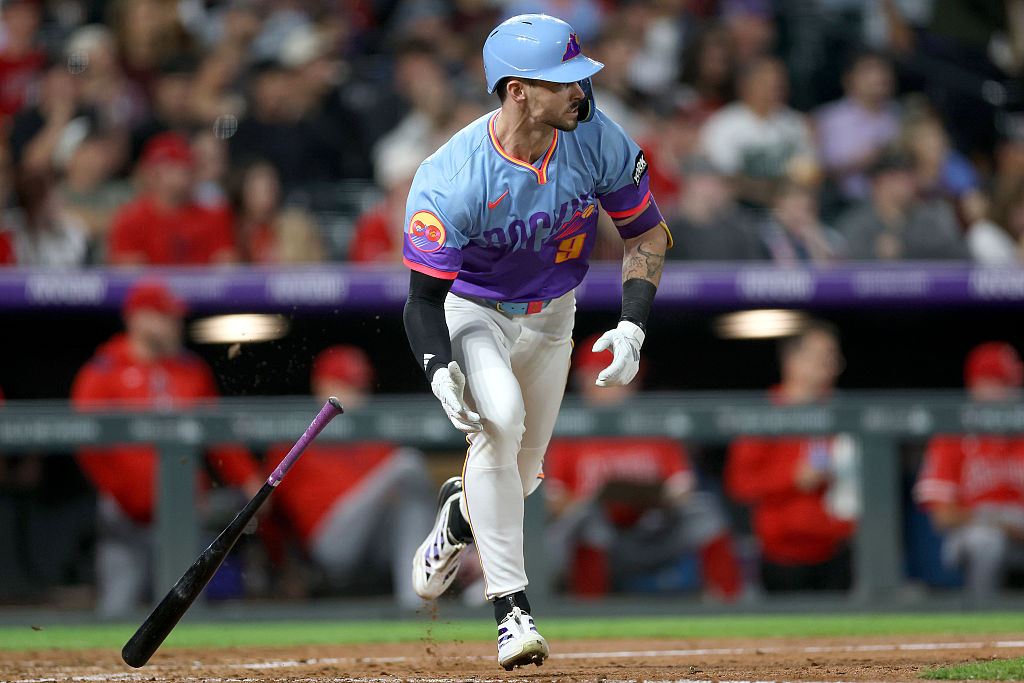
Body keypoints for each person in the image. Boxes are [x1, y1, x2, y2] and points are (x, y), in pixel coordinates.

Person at [401, 15, 670, 671]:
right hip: (477, 310)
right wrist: (438, 367)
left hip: (555, 313)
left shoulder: (594, 137)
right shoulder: (451, 174)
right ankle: (511, 612)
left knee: (517, 477)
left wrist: (633, 321)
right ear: (517, 90)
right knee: (500, 420)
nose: (581, 91)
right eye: (563, 82)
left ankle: (460, 516)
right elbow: (422, 300)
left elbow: (646, 234)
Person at [71, 281, 261, 616]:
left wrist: (248, 479)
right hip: (125, 516)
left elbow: (219, 436)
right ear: (138, 319)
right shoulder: (104, 371)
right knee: (117, 608)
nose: (176, 325)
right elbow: (89, 445)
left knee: (187, 611)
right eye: (165, 317)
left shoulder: (191, 370)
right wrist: (130, 496)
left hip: (183, 512)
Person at [544, 335, 741, 599]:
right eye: (621, 376)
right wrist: (599, 503)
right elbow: (553, 500)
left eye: (630, 377)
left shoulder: (651, 425)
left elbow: (683, 486)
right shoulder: (570, 432)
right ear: (591, 379)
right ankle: (588, 612)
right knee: (589, 521)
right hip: (601, 540)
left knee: (704, 511)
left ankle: (727, 605)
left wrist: (654, 501)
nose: (630, 384)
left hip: (653, 529)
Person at [263, 345, 434, 608]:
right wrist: (281, 566)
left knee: (411, 502)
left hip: (372, 543)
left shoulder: (373, 435)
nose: (359, 397)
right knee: (407, 462)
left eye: (361, 388)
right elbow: (270, 509)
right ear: (322, 385)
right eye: (348, 386)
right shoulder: (296, 433)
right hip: (328, 543)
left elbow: (394, 496)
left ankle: (416, 606)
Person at [725, 320, 860, 592]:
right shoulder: (764, 415)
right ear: (792, 360)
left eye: (834, 357)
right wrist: (793, 477)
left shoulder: (845, 412)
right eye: (822, 357)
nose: (830, 365)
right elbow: (740, 485)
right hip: (783, 556)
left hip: (839, 550)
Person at [914, 342, 1024, 596]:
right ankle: (983, 611)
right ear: (978, 386)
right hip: (974, 530)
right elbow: (942, 517)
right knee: (987, 540)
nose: (1011, 394)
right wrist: (998, 521)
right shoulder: (953, 435)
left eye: (1012, 386)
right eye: (1001, 385)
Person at [698, 56, 818, 207]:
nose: (774, 87)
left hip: (787, 209)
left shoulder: (795, 124)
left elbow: (808, 175)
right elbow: (726, 179)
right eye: (765, 81)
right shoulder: (723, 125)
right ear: (745, 85)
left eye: (778, 82)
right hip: (738, 208)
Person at [107, 132, 238, 265]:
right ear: (152, 173)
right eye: (174, 166)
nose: (185, 172)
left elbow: (226, 272)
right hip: (151, 286)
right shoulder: (130, 218)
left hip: (204, 286)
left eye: (187, 165)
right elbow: (129, 277)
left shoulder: (214, 216)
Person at [836, 149, 967, 260]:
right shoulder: (855, 223)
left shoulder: (930, 219)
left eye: (908, 175)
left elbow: (959, 258)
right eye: (895, 177)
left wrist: (905, 248)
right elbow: (843, 266)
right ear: (876, 184)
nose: (905, 183)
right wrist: (874, 254)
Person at [813, 51, 901, 202]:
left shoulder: (899, 114)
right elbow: (819, 170)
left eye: (883, 70)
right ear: (848, 80)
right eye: (869, 70)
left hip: (897, 202)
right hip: (844, 203)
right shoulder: (830, 118)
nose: (878, 76)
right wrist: (864, 160)